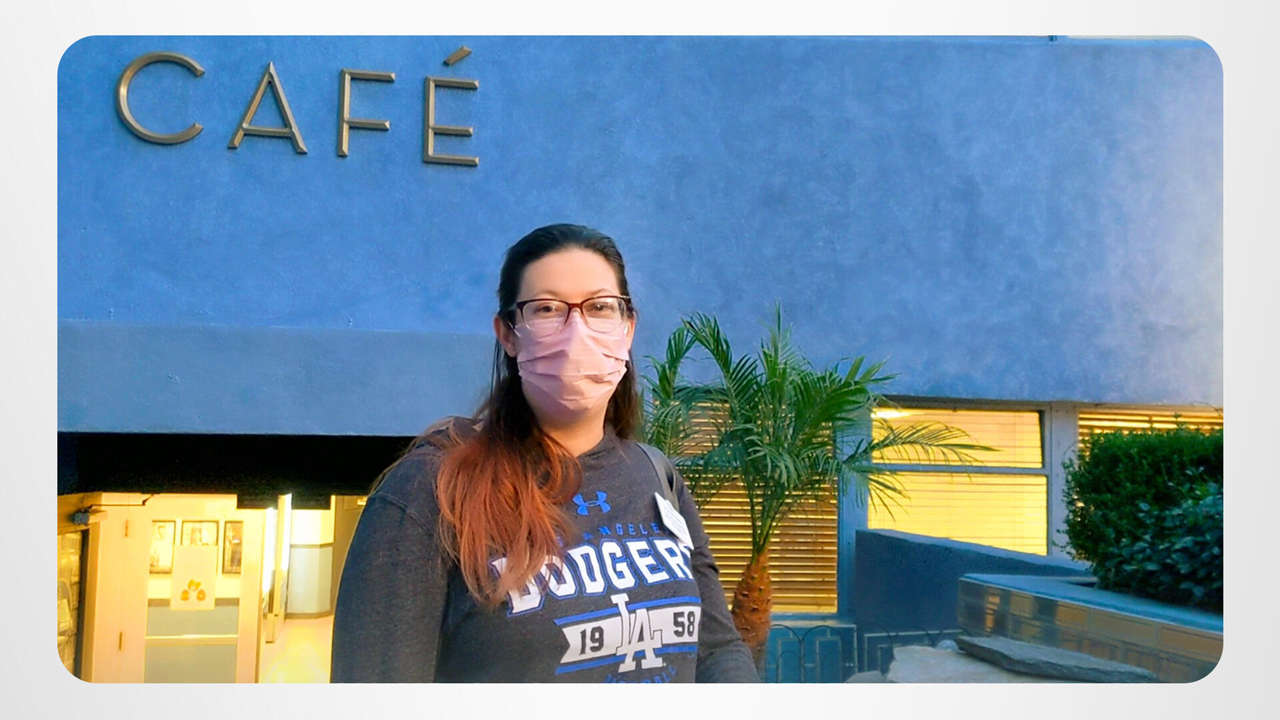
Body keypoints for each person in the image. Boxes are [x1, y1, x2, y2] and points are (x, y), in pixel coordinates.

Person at [330, 223, 757, 683]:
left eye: (599, 307)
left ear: (628, 328)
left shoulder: (658, 478)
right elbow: (375, 695)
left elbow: (716, 650)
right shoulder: (430, 491)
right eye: (547, 309)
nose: (577, 333)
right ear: (508, 334)